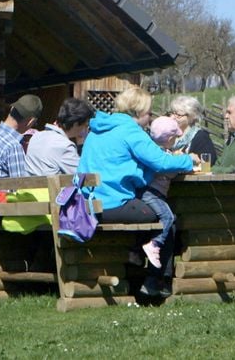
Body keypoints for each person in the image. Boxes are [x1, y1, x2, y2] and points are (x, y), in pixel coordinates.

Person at [77, 87, 198, 297]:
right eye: (149, 113)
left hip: (89, 202)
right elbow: (161, 162)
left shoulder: (97, 130)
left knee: (147, 209)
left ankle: (137, 273)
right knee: (164, 217)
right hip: (112, 203)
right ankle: (157, 282)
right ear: (139, 112)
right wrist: (189, 160)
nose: (150, 118)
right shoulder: (130, 131)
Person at [139, 116, 184, 269]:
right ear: (170, 138)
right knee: (168, 216)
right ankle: (155, 244)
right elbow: (170, 172)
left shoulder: (151, 149)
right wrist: (180, 162)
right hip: (152, 193)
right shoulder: (162, 156)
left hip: (149, 192)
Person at [0, 94, 42, 179]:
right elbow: (20, 187)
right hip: (1, 192)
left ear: (11, 109)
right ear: (30, 122)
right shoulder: (13, 147)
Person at [25, 98, 95, 176]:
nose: (85, 129)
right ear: (76, 124)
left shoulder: (37, 136)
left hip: (28, 187)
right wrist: (80, 144)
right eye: (85, 126)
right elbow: (82, 175)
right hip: (50, 187)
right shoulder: (64, 146)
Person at [168, 95, 217, 165]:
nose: (173, 118)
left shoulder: (201, 137)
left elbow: (208, 164)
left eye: (178, 115)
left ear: (192, 116)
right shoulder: (167, 135)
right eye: (172, 113)